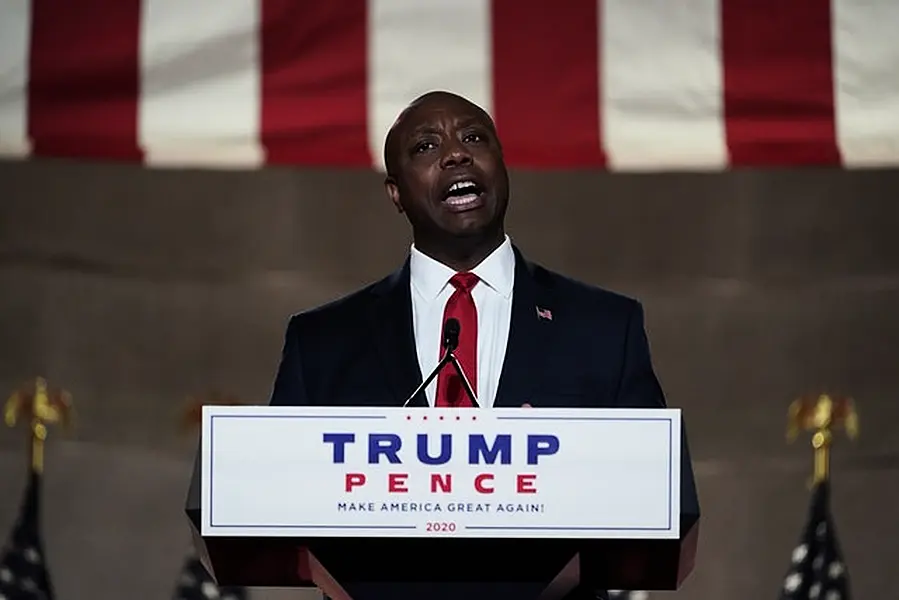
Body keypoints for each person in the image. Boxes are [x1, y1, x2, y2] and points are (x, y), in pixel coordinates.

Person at [268, 91, 699, 600]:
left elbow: (655, 496)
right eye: (426, 147)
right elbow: (279, 498)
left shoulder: (604, 327)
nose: (456, 153)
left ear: (501, 165)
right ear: (395, 193)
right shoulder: (322, 342)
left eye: (474, 138)